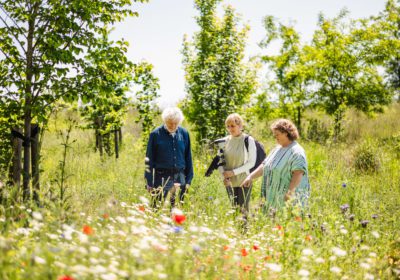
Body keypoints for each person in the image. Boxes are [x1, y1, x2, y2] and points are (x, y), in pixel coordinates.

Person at [241, 119, 310, 210]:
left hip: (289, 201)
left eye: (277, 134)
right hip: (273, 200)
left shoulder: (296, 151)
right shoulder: (277, 149)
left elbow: (298, 173)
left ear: (286, 133)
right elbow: (265, 166)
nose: (275, 137)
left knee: (289, 222)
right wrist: (250, 177)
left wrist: (289, 194)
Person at [145, 107, 193, 208]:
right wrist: (149, 181)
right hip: (161, 178)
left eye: (176, 123)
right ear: (165, 121)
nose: (173, 125)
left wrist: (189, 178)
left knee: (177, 211)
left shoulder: (184, 133)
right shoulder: (155, 134)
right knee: (157, 209)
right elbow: (149, 160)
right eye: (170, 123)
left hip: (180, 178)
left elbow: (188, 157)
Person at [220, 113, 257, 216]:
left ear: (240, 125)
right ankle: (235, 232)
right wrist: (223, 176)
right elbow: (221, 162)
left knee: (243, 212)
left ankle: (244, 232)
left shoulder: (248, 140)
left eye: (233, 126)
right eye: (228, 126)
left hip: (243, 180)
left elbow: (251, 162)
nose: (230, 129)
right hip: (229, 181)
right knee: (234, 211)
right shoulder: (225, 141)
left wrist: (233, 172)